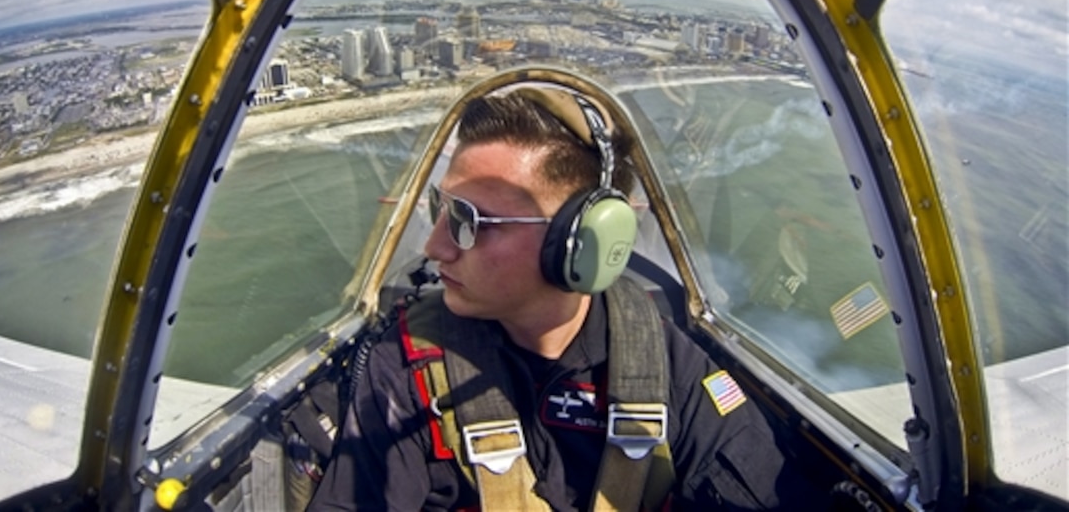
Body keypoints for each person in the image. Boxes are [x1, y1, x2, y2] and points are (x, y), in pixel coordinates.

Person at [308, 87, 803, 511]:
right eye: (441, 208)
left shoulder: (672, 370)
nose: (433, 247)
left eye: (468, 221)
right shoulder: (406, 369)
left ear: (577, 240)